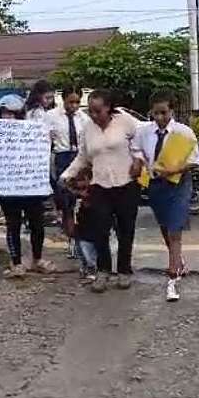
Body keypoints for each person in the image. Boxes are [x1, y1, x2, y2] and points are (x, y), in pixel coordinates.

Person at [61, 89, 142, 293]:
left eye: (98, 111)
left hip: (126, 184)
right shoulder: (88, 128)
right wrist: (66, 175)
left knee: (125, 230)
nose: (94, 115)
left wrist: (138, 160)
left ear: (108, 107)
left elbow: (141, 140)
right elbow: (83, 157)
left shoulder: (125, 121)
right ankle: (103, 271)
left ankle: (124, 271)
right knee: (100, 231)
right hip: (100, 186)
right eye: (91, 111)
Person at [135, 91, 199, 302]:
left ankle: (172, 277)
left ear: (171, 110)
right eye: (155, 113)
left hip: (179, 183)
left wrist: (174, 169)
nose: (160, 117)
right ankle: (178, 259)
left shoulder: (184, 132)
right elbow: (136, 150)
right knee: (165, 226)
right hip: (155, 184)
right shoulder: (144, 132)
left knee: (175, 229)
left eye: (163, 112)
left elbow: (194, 160)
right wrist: (141, 163)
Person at [0, 94, 55, 277]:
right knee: (13, 225)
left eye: (12, 114)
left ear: (20, 115)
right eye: (4, 114)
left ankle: (37, 259)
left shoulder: (33, 131)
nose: (8, 118)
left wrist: (47, 139)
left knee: (37, 224)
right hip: (9, 189)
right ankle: (17, 263)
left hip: (31, 187)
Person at [47, 86, 90, 254]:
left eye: (77, 102)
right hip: (61, 157)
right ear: (63, 100)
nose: (74, 106)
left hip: (79, 157)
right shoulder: (51, 117)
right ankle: (70, 236)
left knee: (81, 199)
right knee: (66, 201)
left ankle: (79, 237)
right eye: (70, 102)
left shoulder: (83, 118)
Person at [68, 168, 99, 285]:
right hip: (79, 227)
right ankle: (85, 268)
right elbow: (69, 211)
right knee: (81, 249)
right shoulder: (73, 196)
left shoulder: (95, 195)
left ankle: (93, 269)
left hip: (92, 227)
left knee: (89, 249)